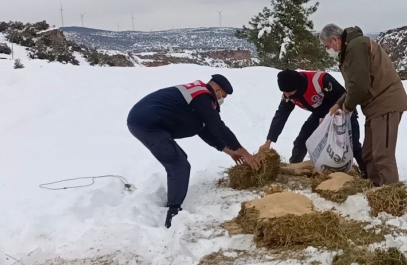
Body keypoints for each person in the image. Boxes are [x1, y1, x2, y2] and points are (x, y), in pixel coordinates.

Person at [127, 74, 259, 228]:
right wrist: (244, 152)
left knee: (179, 160)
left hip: (150, 122)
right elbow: (217, 126)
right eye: (223, 96)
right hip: (147, 123)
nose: (222, 100)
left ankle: (173, 202)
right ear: (216, 90)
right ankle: (173, 214)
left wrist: (230, 152)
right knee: (179, 164)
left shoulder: (197, 97)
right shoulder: (201, 96)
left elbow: (204, 130)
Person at [319, 24, 407, 186]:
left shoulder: (356, 46)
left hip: (386, 102)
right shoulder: (351, 48)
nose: (329, 50)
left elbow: (360, 85)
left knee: (382, 154)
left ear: (335, 39)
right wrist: (339, 104)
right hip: (374, 107)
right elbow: (353, 84)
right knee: (369, 153)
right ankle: (375, 188)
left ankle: (391, 196)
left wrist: (347, 107)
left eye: (327, 46)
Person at [259, 69, 366, 175]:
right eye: (284, 92)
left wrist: (333, 115)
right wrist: (269, 140)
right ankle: (294, 169)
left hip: (343, 112)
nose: (286, 95)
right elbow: (281, 115)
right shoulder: (289, 95)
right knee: (301, 141)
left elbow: (344, 96)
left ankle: (367, 173)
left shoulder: (321, 80)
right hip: (319, 114)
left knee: (353, 145)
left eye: (289, 92)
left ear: (298, 86)